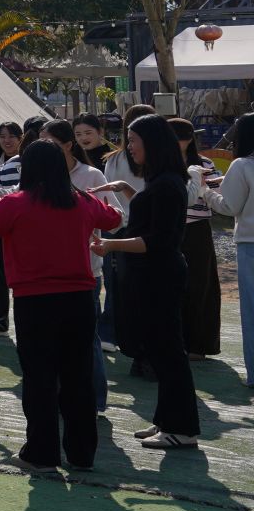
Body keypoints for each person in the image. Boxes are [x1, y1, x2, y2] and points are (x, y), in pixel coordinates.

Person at [0, 140, 121, 471]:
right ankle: (82, 454)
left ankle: (42, 453)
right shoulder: (82, 200)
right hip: (79, 298)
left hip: (34, 301)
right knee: (78, 376)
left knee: (40, 377)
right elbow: (112, 219)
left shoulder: (15, 203)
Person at [94, 113, 201, 448]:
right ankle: (167, 421)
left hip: (160, 276)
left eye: (133, 140)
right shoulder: (161, 181)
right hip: (152, 275)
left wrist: (110, 244)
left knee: (168, 352)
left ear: (152, 143)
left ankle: (182, 429)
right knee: (161, 351)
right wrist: (126, 190)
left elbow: (157, 241)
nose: (129, 147)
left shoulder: (168, 184)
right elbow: (149, 219)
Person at [204, 112, 254, 388]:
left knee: (252, 311)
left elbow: (229, 207)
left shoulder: (242, 165)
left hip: (250, 243)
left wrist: (205, 192)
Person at [167, 117, 223, 358]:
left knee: (200, 285)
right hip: (168, 228)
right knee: (170, 285)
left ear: (190, 139)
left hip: (197, 229)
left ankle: (198, 345)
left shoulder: (205, 163)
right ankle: (175, 341)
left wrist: (205, 187)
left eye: (181, 138)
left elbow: (218, 195)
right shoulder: (160, 162)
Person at [0, 121, 26, 335]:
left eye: (11, 136)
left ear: (21, 138)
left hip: (22, 225)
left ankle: (24, 320)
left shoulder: (29, 161)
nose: (7, 141)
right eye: (2, 137)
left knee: (22, 274)